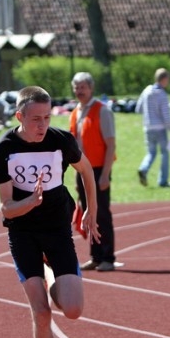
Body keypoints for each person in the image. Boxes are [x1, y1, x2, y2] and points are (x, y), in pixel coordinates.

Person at [0, 86, 100, 338]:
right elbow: (7, 209)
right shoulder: (4, 149)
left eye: (47, 118)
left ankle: (50, 272)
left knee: (74, 309)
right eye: (35, 119)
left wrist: (90, 209)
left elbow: (86, 170)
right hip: (23, 233)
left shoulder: (60, 140)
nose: (42, 125)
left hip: (56, 230)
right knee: (41, 311)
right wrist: (29, 203)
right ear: (19, 116)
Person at [69, 72, 117, 272]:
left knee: (102, 213)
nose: (80, 91)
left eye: (83, 87)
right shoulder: (75, 112)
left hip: (98, 170)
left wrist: (105, 174)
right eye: (77, 87)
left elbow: (111, 145)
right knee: (88, 214)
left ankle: (108, 257)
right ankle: (95, 256)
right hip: (82, 170)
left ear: (91, 88)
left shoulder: (102, 111)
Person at [135, 68, 170, 187]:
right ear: (164, 79)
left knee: (151, 152)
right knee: (164, 153)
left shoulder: (146, 90)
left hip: (148, 127)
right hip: (160, 128)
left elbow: (138, 108)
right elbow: (166, 116)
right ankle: (163, 180)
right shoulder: (162, 94)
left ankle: (143, 169)